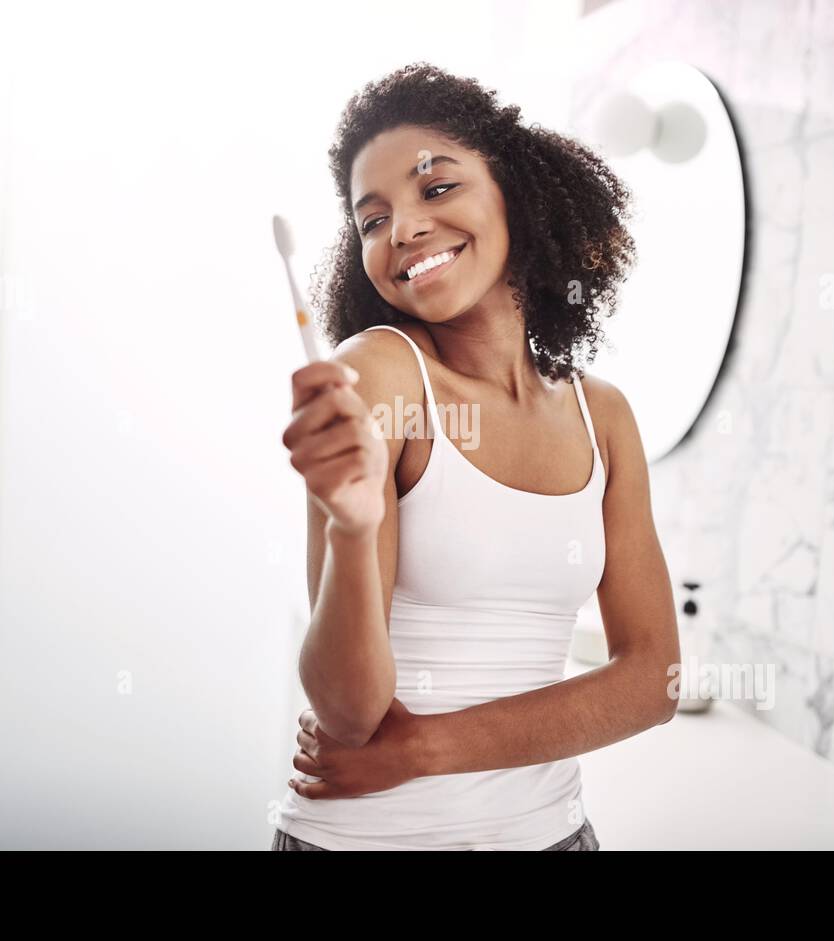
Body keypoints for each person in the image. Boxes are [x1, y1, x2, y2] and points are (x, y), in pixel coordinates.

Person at [273, 62, 680, 851]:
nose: (404, 230)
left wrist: (425, 748)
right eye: (372, 219)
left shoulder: (605, 417)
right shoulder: (380, 374)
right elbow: (348, 713)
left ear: (513, 192)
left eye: (434, 189)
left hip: (556, 837)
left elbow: (653, 679)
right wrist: (352, 531)